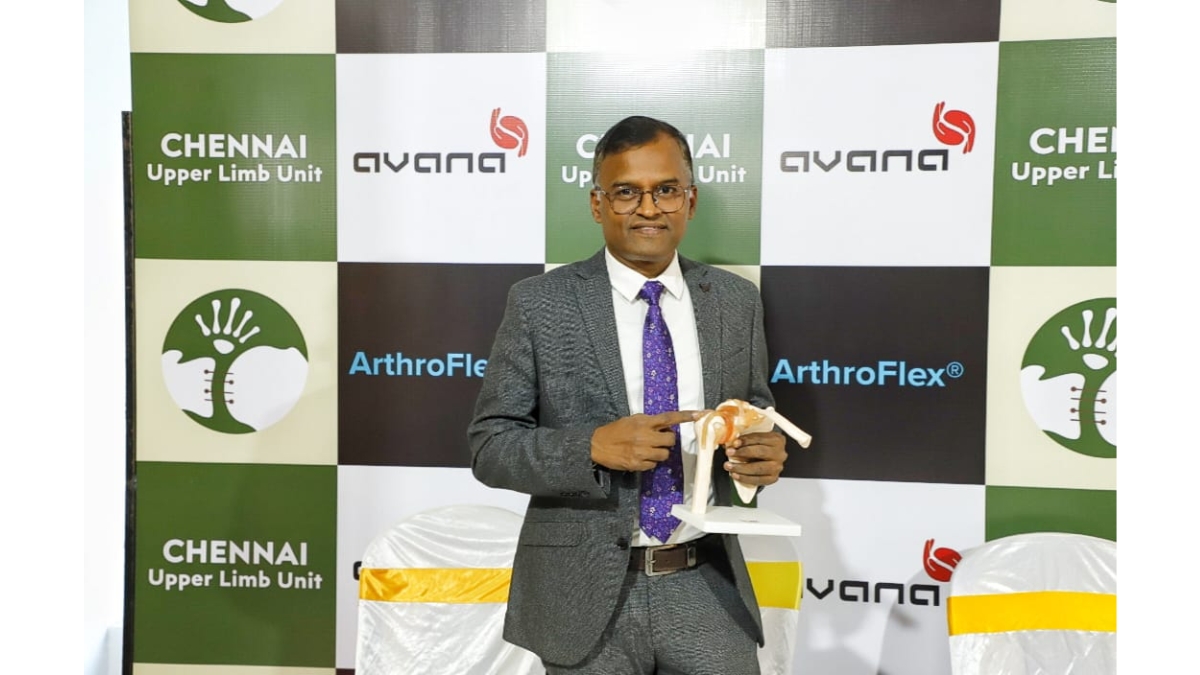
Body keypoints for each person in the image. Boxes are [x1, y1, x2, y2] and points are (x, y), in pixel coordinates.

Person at [468, 115, 788, 674]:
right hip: (583, 597)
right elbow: (490, 446)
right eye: (626, 193)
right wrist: (591, 447)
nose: (648, 208)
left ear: (690, 200)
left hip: (706, 583)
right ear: (598, 204)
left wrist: (757, 458)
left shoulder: (735, 301)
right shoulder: (539, 303)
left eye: (666, 190)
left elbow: (753, 416)